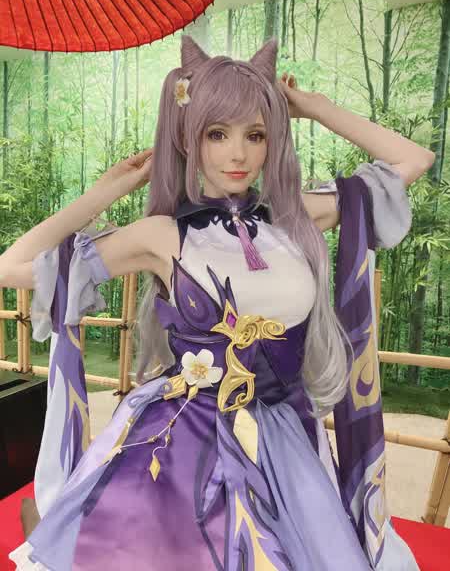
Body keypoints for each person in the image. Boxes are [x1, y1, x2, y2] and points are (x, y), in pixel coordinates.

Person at [2, 35, 434, 570]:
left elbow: (413, 159)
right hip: (181, 438)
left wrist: (311, 106)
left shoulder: (293, 217)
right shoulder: (162, 234)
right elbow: (11, 267)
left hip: (284, 437)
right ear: (188, 136)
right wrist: (105, 190)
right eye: (217, 133)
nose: (238, 153)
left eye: (256, 134)